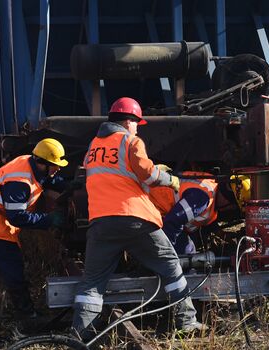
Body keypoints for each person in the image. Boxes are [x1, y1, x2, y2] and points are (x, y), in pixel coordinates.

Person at [71, 97, 203, 338]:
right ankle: (186, 321)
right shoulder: (131, 141)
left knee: (92, 282)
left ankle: (81, 334)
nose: (137, 127)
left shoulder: (93, 146)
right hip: (135, 218)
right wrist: (171, 180)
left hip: (101, 221)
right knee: (171, 266)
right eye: (136, 122)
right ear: (128, 121)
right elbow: (149, 175)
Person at [0, 138, 69, 323]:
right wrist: (50, 220)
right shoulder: (19, 182)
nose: (58, 169)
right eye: (54, 165)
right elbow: (17, 218)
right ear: (42, 163)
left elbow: (46, 180)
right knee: (13, 267)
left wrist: (67, 186)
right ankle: (28, 317)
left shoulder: (29, 161)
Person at [149, 173, 251, 255]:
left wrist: (220, 233)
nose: (231, 209)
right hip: (151, 210)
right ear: (228, 199)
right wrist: (168, 256)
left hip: (163, 214)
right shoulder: (201, 199)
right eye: (233, 206)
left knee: (192, 242)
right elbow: (172, 222)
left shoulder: (212, 188)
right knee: (188, 251)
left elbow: (201, 223)